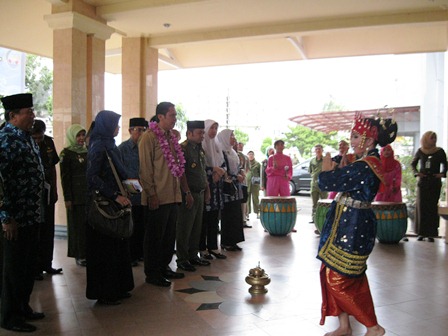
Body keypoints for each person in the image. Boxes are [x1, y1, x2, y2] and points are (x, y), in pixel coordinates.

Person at [317, 114, 398, 336]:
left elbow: (327, 182)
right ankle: (344, 326)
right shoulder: (362, 163)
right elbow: (343, 178)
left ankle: (373, 327)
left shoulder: (365, 166)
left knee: (338, 279)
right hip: (347, 222)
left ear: (369, 140)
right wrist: (340, 166)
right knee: (345, 276)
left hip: (352, 226)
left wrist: (326, 169)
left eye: (355, 136)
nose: (351, 141)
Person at [0, 93, 45, 332]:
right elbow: (0, 182)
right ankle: (9, 316)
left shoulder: (26, 138)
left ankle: (23, 306)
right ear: (13, 115)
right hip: (15, 218)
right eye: (28, 111)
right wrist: (6, 217)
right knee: (13, 270)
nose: (33, 115)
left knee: (27, 266)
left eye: (32, 110)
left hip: (31, 214)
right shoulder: (5, 139)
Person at [86, 110, 134, 305]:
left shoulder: (110, 145)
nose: (118, 128)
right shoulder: (98, 147)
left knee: (117, 248)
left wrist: (131, 188)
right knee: (105, 251)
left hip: (116, 203)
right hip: (105, 207)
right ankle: (105, 292)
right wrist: (114, 195)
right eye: (115, 124)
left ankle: (119, 287)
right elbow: (92, 178)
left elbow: (119, 172)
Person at [139, 102, 185, 287]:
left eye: (175, 115)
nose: (175, 119)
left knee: (168, 236)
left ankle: (164, 267)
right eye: (172, 115)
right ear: (160, 117)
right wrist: (151, 194)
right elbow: (145, 169)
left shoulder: (172, 138)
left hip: (172, 195)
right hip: (158, 196)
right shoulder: (148, 138)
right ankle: (152, 273)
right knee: (154, 237)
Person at [176, 121, 211, 272]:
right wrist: (187, 193)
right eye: (199, 133)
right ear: (189, 133)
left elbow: (202, 171)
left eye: (203, 133)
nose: (202, 136)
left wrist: (207, 190)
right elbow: (181, 173)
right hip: (189, 194)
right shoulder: (182, 149)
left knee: (196, 227)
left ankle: (193, 255)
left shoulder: (199, 149)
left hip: (200, 192)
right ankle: (182, 259)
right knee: (185, 227)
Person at [30, 119, 62, 279]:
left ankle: (47, 264)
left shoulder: (49, 142)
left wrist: (55, 190)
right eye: (35, 138)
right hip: (32, 194)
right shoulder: (25, 143)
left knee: (49, 228)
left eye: (40, 137)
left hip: (47, 192)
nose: (38, 141)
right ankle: (34, 268)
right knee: (37, 230)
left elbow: (53, 167)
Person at [118, 117, 148, 266]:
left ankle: (140, 253)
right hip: (130, 194)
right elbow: (120, 172)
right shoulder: (122, 149)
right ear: (130, 131)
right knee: (131, 226)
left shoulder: (147, 148)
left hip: (146, 194)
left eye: (144, 130)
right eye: (139, 130)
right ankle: (131, 256)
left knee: (142, 225)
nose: (142, 133)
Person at [60, 124, 88, 267]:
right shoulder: (66, 154)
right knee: (77, 227)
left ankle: (87, 252)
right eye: (78, 135)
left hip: (88, 194)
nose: (81, 138)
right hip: (75, 197)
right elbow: (65, 178)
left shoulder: (87, 151)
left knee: (87, 226)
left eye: (83, 135)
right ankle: (79, 254)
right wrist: (68, 198)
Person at [411, 131, 447, 242]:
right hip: (423, 182)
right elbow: (413, 164)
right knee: (422, 207)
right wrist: (417, 173)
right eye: (432, 138)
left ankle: (431, 233)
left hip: (434, 183)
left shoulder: (439, 151)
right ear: (426, 139)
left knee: (432, 207)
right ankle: (421, 233)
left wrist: (442, 174)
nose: (434, 140)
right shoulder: (420, 151)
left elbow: (445, 164)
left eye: (435, 138)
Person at [199, 119, 227, 260]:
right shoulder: (201, 146)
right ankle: (202, 248)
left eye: (216, 128)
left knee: (214, 219)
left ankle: (213, 247)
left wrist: (220, 171)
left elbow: (223, 163)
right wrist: (213, 171)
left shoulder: (216, 145)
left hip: (217, 188)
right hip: (206, 187)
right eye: (211, 128)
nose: (214, 131)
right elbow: (200, 167)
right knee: (204, 219)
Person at [217, 129, 245, 251]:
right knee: (228, 216)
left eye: (233, 135)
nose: (233, 137)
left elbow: (237, 167)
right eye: (231, 135)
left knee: (236, 215)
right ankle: (226, 242)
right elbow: (224, 170)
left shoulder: (232, 152)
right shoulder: (221, 152)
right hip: (228, 190)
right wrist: (235, 176)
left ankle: (234, 241)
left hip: (236, 188)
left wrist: (241, 172)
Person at [309, 144, 328, 223]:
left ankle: (324, 218)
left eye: (319, 149)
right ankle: (314, 218)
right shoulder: (312, 160)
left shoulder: (326, 160)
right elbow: (310, 171)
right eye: (316, 149)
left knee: (324, 202)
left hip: (323, 184)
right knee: (314, 203)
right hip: (314, 185)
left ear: (322, 150)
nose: (318, 150)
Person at [246, 150, 261, 219]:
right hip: (247, 183)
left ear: (254, 155)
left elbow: (261, 174)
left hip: (255, 184)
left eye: (252, 154)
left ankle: (257, 212)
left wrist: (261, 185)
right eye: (249, 154)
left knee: (256, 198)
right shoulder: (246, 163)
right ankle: (247, 213)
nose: (250, 155)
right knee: (247, 199)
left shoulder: (257, 164)